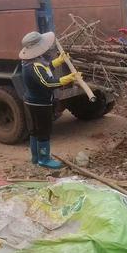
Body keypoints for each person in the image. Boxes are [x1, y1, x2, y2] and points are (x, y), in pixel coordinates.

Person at [20, 31, 80, 169]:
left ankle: (35, 158)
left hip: (32, 101)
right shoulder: (33, 67)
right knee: (43, 131)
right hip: (39, 104)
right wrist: (69, 78)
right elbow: (47, 82)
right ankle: (44, 159)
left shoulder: (31, 61)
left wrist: (59, 61)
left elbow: (46, 68)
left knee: (35, 130)